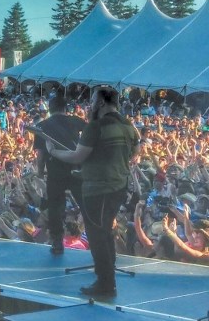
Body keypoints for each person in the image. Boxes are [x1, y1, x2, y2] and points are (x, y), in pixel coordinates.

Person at [47, 87, 139, 297]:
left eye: (92, 100)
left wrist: (54, 152)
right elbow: (134, 153)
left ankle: (105, 283)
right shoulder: (128, 125)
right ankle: (108, 274)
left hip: (99, 188)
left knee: (97, 233)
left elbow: (77, 157)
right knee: (105, 229)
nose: (90, 104)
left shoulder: (95, 127)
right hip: (119, 185)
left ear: (100, 103)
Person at [33, 96, 86, 254]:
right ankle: (97, 236)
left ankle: (57, 241)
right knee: (85, 204)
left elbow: (41, 155)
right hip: (76, 167)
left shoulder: (42, 126)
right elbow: (91, 136)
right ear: (65, 108)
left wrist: (40, 174)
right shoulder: (76, 121)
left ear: (50, 108)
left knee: (55, 207)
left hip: (56, 170)